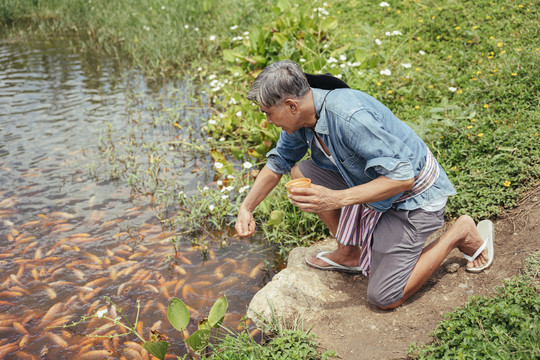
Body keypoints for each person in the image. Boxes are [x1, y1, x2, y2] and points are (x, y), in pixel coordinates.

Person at [234, 60, 494, 310]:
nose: (267, 120)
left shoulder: (349, 116)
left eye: (268, 113)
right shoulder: (305, 116)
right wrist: (247, 208)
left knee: (385, 296)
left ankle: (459, 232)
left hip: (414, 198)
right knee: (302, 172)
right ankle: (350, 253)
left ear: (291, 105)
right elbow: (279, 162)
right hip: (378, 186)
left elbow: (403, 178)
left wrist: (335, 199)